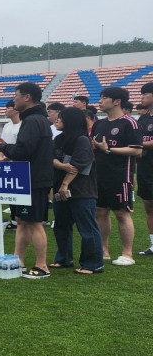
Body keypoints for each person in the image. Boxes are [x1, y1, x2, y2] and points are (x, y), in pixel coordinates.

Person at [0, 81, 55, 278]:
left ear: (27, 97)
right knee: (22, 220)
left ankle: (42, 266)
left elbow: (24, 151)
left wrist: (1, 148)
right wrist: (5, 145)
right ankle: (19, 260)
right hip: (28, 178)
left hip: (34, 179)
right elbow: (25, 148)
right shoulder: (36, 119)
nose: (13, 99)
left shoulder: (34, 120)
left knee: (34, 222)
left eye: (16, 95)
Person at [90, 86, 143, 266]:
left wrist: (108, 149)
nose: (100, 101)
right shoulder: (99, 123)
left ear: (117, 101)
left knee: (122, 213)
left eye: (104, 98)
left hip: (120, 176)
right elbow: (94, 145)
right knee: (100, 212)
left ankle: (127, 254)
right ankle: (103, 250)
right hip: (99, 174)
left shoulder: (130, 123)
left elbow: (136, 150)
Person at [50, 107, 103, 274]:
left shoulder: (82, 140)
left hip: (81, 191)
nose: (56, 121)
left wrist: (65, 185)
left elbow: (77, 167)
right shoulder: (59, 139)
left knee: (87, 227)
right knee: (61, 225)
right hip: (60, 188)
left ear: (70, 121)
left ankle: (93, 263)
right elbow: (51, 158)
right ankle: (64, 258)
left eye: (60, 118)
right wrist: (60, 165)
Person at [136, 84, 153, 256]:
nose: (142, 97)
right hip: (144, 168)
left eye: (145, 94)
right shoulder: (143, 119)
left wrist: (136, 145)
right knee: (149, 206)